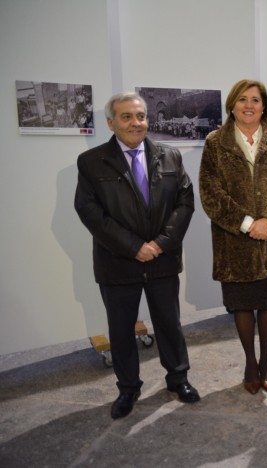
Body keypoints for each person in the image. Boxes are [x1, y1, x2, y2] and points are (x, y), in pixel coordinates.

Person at [74, 92, 199, 419]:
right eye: (127, 117)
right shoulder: (91, 163)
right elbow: (89, 211)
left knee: (169, 323)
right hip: (117, 262)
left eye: (141, 116)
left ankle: (178, 378)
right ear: (111, 122)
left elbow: (185, 202)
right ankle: (128, 389)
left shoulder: (170, 156)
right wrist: (133, 247)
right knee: (121, 330)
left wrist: (160, 244)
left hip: (163, 259)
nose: (136, 123)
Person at [199, 79, 267, 395]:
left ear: (264, 106)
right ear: (232, 104)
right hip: (235, 243)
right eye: (242, 99)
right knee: (242, 306)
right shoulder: (216, 143)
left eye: (255, 100)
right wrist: (247, 224)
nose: (248, 105)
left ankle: (266, 361)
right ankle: (248, 361)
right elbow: (210, 193)